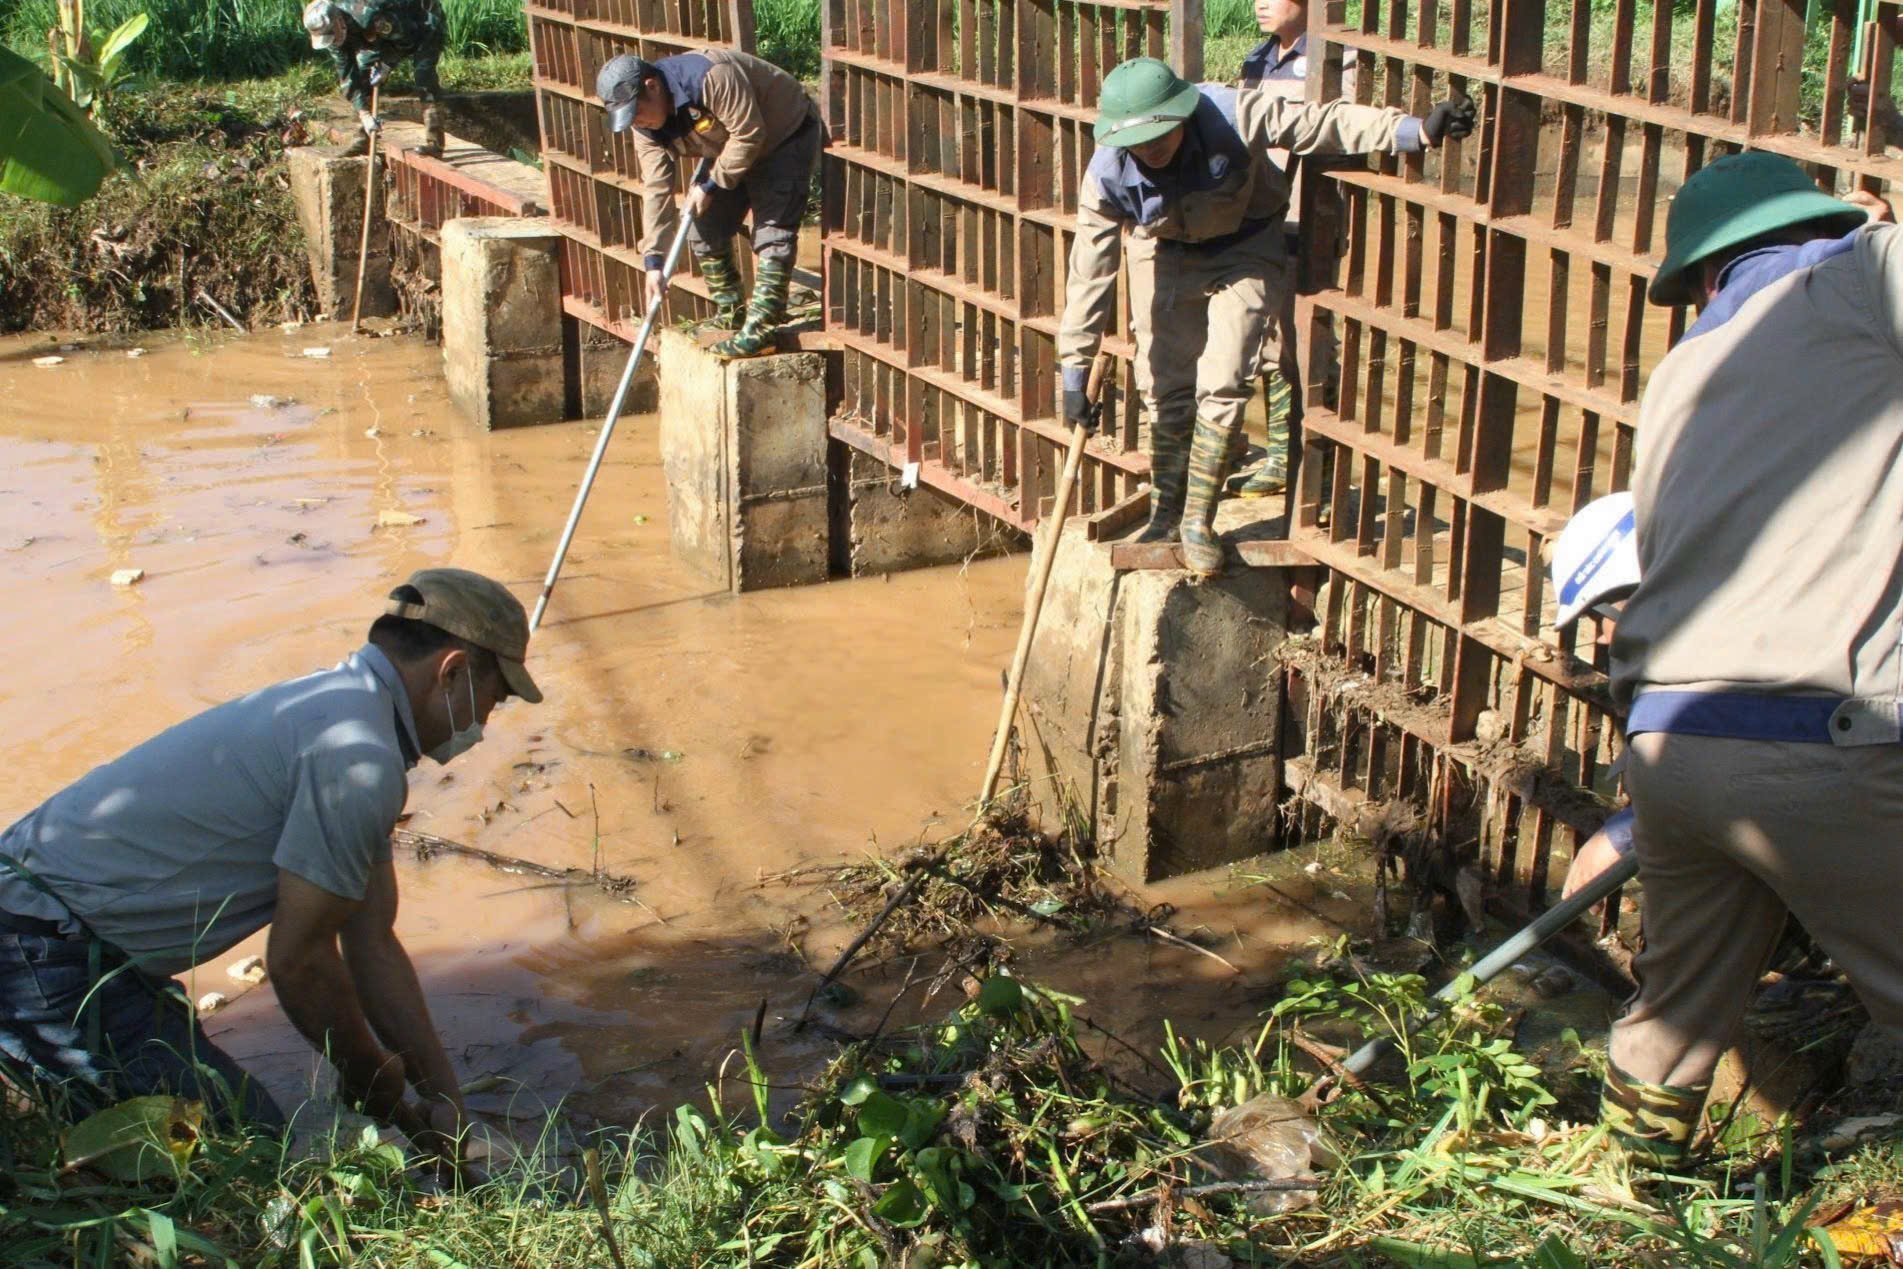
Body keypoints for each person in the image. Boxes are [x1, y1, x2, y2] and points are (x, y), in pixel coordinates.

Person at [0, 568, 539, 1170]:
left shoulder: (341, 713)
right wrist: (369, 1072)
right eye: (495, 699)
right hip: (36, 948)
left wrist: (444, 1098)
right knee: (245, 1152)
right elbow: (299, 962)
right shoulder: (357, 760)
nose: (485, 724)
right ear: (453, 671)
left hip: (62, 934)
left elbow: (371, 942)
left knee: (211, 1117)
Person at [1594, 152, 1898, 1166]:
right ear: (1820, 227)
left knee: (1671, 1015)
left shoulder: (1679, 373)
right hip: (1820, 739)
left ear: (1704, 277)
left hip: (1669, 743)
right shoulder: (1861, 275)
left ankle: (1627, 1192)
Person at [1058, 57, 1474, 576]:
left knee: (1225, 374)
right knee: (1162, 379)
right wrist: (1074, 370)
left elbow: (1320, 123)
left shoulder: (1234, 115)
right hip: (1164, 246)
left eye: (1160, 135)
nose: (1150, 149)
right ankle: (1167, 510)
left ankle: (1198, 520)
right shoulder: (1107, 173)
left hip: (1246, 245)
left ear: (1182, 114)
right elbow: (1090, 271)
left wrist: (1414, 131)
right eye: (1138, 142)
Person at [595, 51, 823, 359]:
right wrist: (653, 261)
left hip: (782, 134)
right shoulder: (644, 127)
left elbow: (749, 134)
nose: (636, 121)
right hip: (726, 146)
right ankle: (732, 312)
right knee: (701, 225)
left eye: (636, 112)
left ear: (652, 86)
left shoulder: (712, 77)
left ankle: (762, 328)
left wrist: (711, 185)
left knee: (772, 231)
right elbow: (656, 188)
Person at [1231, 0, 1351, 501]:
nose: (1260, 3)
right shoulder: (1257, 60)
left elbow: (1342, 131)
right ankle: (1284, 455)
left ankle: (1319, 466)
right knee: (1268, 336)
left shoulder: (1339, 61)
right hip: (1263, 215)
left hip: (1312, 217)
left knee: (1309, 337)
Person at [304, 0, 448, 158]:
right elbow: (347, 74)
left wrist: (386, 65)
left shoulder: (368, 15)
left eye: (332, 35)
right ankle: (364, 137)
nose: (332, 40)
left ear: (339, 21)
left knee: (423, 76)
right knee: (364, 74)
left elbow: (407, 39)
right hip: (389, 30)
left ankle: (435, 143)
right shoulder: (333, 36)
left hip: (422, 20)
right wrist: (364, 114)